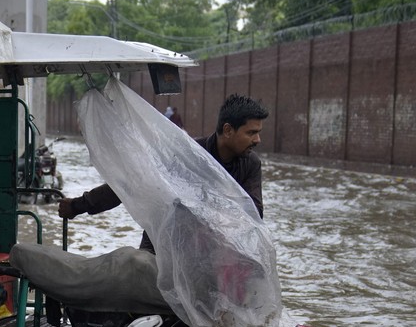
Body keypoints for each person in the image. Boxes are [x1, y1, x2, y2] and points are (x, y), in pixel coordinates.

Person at [58, 93, 268, 251]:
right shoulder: (187, 155)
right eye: (251, 133)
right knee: (143, 286)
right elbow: (133, 184)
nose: (257, 140)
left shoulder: (250, 164)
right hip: (165, 243)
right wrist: (79, 205)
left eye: (258, 133)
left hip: (213, 251)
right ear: (228, 130)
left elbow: (253, 213)